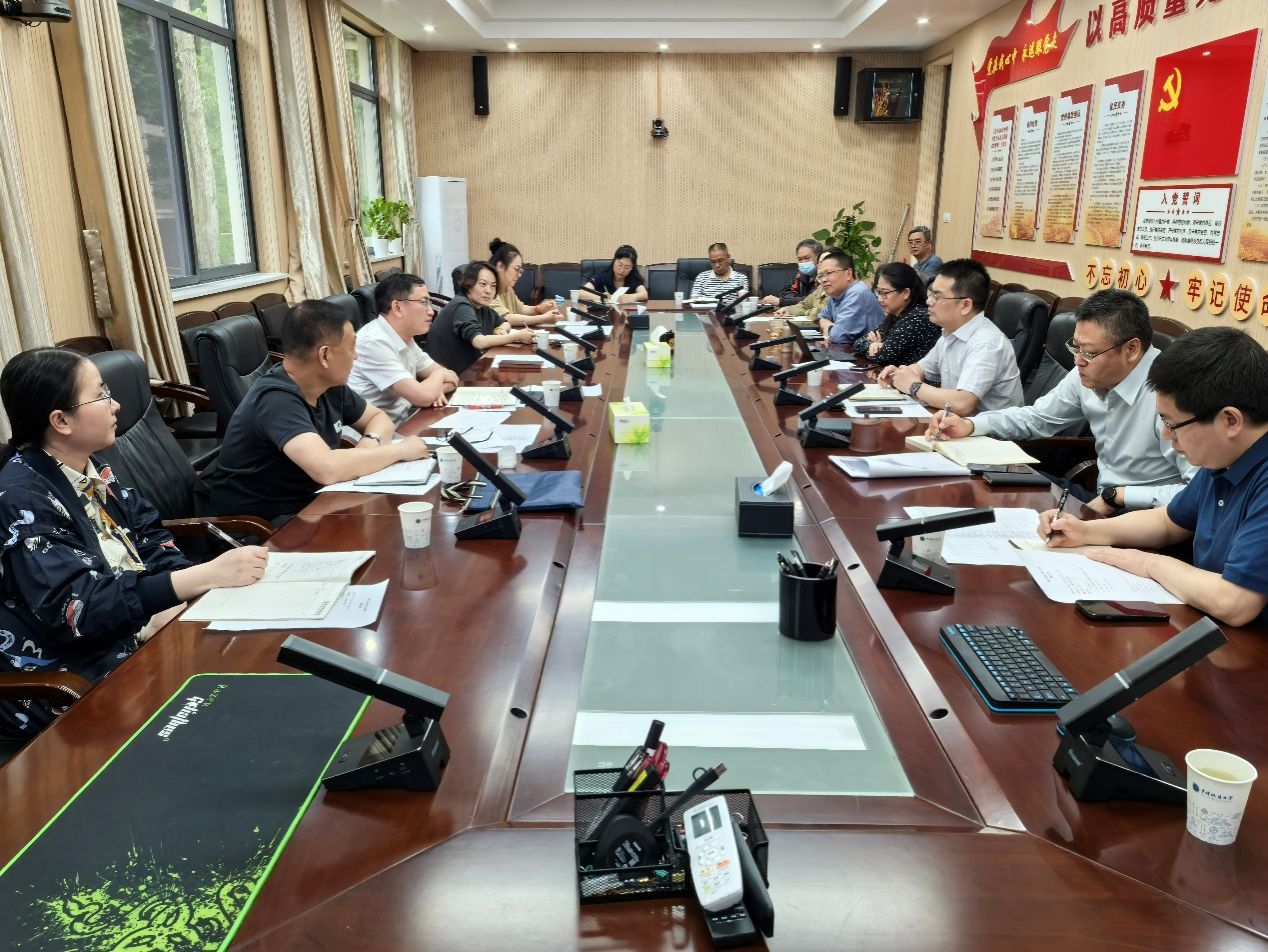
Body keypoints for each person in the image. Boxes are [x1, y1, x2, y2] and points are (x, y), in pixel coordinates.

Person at [0, 349, 268, 737]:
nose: (116, 405)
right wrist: (199, 578)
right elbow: (82, 610)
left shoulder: (88, 466)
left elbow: (149, 534)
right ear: (60, 421)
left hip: (138, 637)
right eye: (101, 395)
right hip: (69, 677)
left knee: (257, 658)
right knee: (232, 709)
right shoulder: (21, 500)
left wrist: (173, 600)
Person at [1039, 327, 1268, 627]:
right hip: (1210, 625)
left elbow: (1235, 602)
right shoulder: (1225, 457)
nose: (1166, 436)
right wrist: (1084, 531)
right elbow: (1168, 522)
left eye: (1172, 424)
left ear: (1230, 420)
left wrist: (1148, 563)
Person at [927, 289, 1195, 512]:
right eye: (1075, 347)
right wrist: (971, 425)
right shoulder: (1086, 371)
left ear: (1132, 349)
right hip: (1098, 501)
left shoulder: (1172, 393)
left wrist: (1121, 496)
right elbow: (1037, 418)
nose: (1077, 361)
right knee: (992, 484)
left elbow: (1198, 492)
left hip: (1149, 517)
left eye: (1087, 352)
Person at [198, 300, 431, 523]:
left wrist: (369, 443)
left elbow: (378, 418)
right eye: (352, 347)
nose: (356, 355)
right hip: (258, 526)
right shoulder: (277, 400)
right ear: (325, 355)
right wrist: (400, 450)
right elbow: (326, 469)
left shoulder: (329, 385)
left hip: (310, 506)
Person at [878, 259, 1023, 414]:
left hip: (987, 428)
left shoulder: (987, 343)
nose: (928, 301)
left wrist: (913, 386)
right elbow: (921, 369)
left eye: (937, 296)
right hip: (954, 422)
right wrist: (900, 375)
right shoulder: (950, 332)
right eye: (930, 293)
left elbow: (963, 403)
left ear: (965, 305)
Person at [348, 273, 460, 422]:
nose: (431, 311)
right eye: (424, 302)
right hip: (377, 432)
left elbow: (452, 378)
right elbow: (424, 396)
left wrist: (434, 390)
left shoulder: (403, 335)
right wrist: (438, 377)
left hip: (406, 419)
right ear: (397, 307)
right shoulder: (374, 342)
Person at [427, 261, 536, 375]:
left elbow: (505, 322)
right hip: (447, 378)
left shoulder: (482, 308)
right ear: (469, 284)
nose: (488, 291)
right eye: (483, 284)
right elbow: (479, 342)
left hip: (471, 372)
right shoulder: (462, 306)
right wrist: (516, 336)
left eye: (493, 286)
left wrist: (501, 329)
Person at [852, 262, 940, 367]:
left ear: (906, 293)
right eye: (878, 292)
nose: (879, 299)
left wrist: (878, 346)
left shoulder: (919, 318)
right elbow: (858, 343)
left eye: (884, 293)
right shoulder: (895, 315)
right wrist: (873, 345)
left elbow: (883, 356)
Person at [816, 250, 885, 347]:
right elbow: (822, 317)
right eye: (821, 276)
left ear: (848, 274)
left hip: (869, 353)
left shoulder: (857, 293)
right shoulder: (836, 293)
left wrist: (828, 327)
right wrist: (829, 327)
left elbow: (837, 336)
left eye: (829, 273)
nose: (823, 280)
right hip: (847, 351)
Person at [488, 238, 560, 327]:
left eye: (520, 271)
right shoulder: (488, 288)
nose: (519, 275)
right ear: (500, 266)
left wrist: (538, 309)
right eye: (517, 269)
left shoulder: (507, 287)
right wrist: (543, 318)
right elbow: (506, 318)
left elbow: (520, 309)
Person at [775, 247, 837, 319]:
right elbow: (804, 305)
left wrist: (807, 312)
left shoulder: (838, 288)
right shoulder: (820, 287)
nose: (822, 267)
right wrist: (788, 310)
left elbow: (820, 312)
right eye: (820, 263)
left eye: (827, 263)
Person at [761, 239, 822, 307]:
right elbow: (785, 292)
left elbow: (813, 301)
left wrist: (781, 301)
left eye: (807, 258)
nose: (803, 262)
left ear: (819, 257)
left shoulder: (823, 277)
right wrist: (792, 300)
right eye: (800, 259)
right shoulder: (801, 274)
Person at [580, 245, 647, 302]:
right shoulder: (602, 276)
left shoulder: (634, 277)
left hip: (626, 312)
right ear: (614, 262)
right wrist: (600, 297)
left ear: (632, 267)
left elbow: (644, 294)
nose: (622, 270)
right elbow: (581, 293)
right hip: (603, 312)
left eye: (627, 267)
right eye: (620, 265)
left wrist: (634, 297)